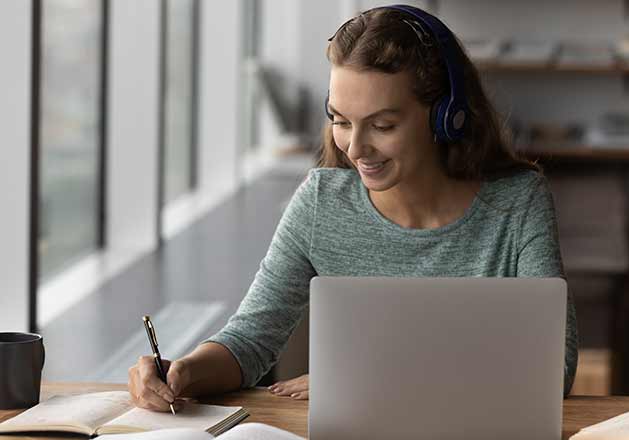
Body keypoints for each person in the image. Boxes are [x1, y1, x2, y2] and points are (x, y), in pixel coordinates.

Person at [128, 4, 578, 411]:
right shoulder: (321, 202)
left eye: (382, 125)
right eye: (340, 120)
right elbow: (250, 339)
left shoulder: (518, 202)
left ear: (447, 116)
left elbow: (553, 366)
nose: (356, 148)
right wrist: (184, 370)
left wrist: (364, 384)